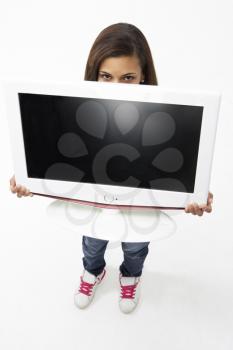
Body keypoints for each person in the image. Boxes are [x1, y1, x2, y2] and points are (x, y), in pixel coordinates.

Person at [9, 22, 213, 314]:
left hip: (142, 203)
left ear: (143, 77)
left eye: (128, 77)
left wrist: (197, 192)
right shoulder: (77, 111)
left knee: (135, 247)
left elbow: (179, 159)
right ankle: (93, 271)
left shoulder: (163, 115)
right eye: (106, 76)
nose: (117, 87)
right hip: (95, 200)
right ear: (94, 74)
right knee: (93, 243)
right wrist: (28, 176)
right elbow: (57, 157)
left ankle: (130, 276)